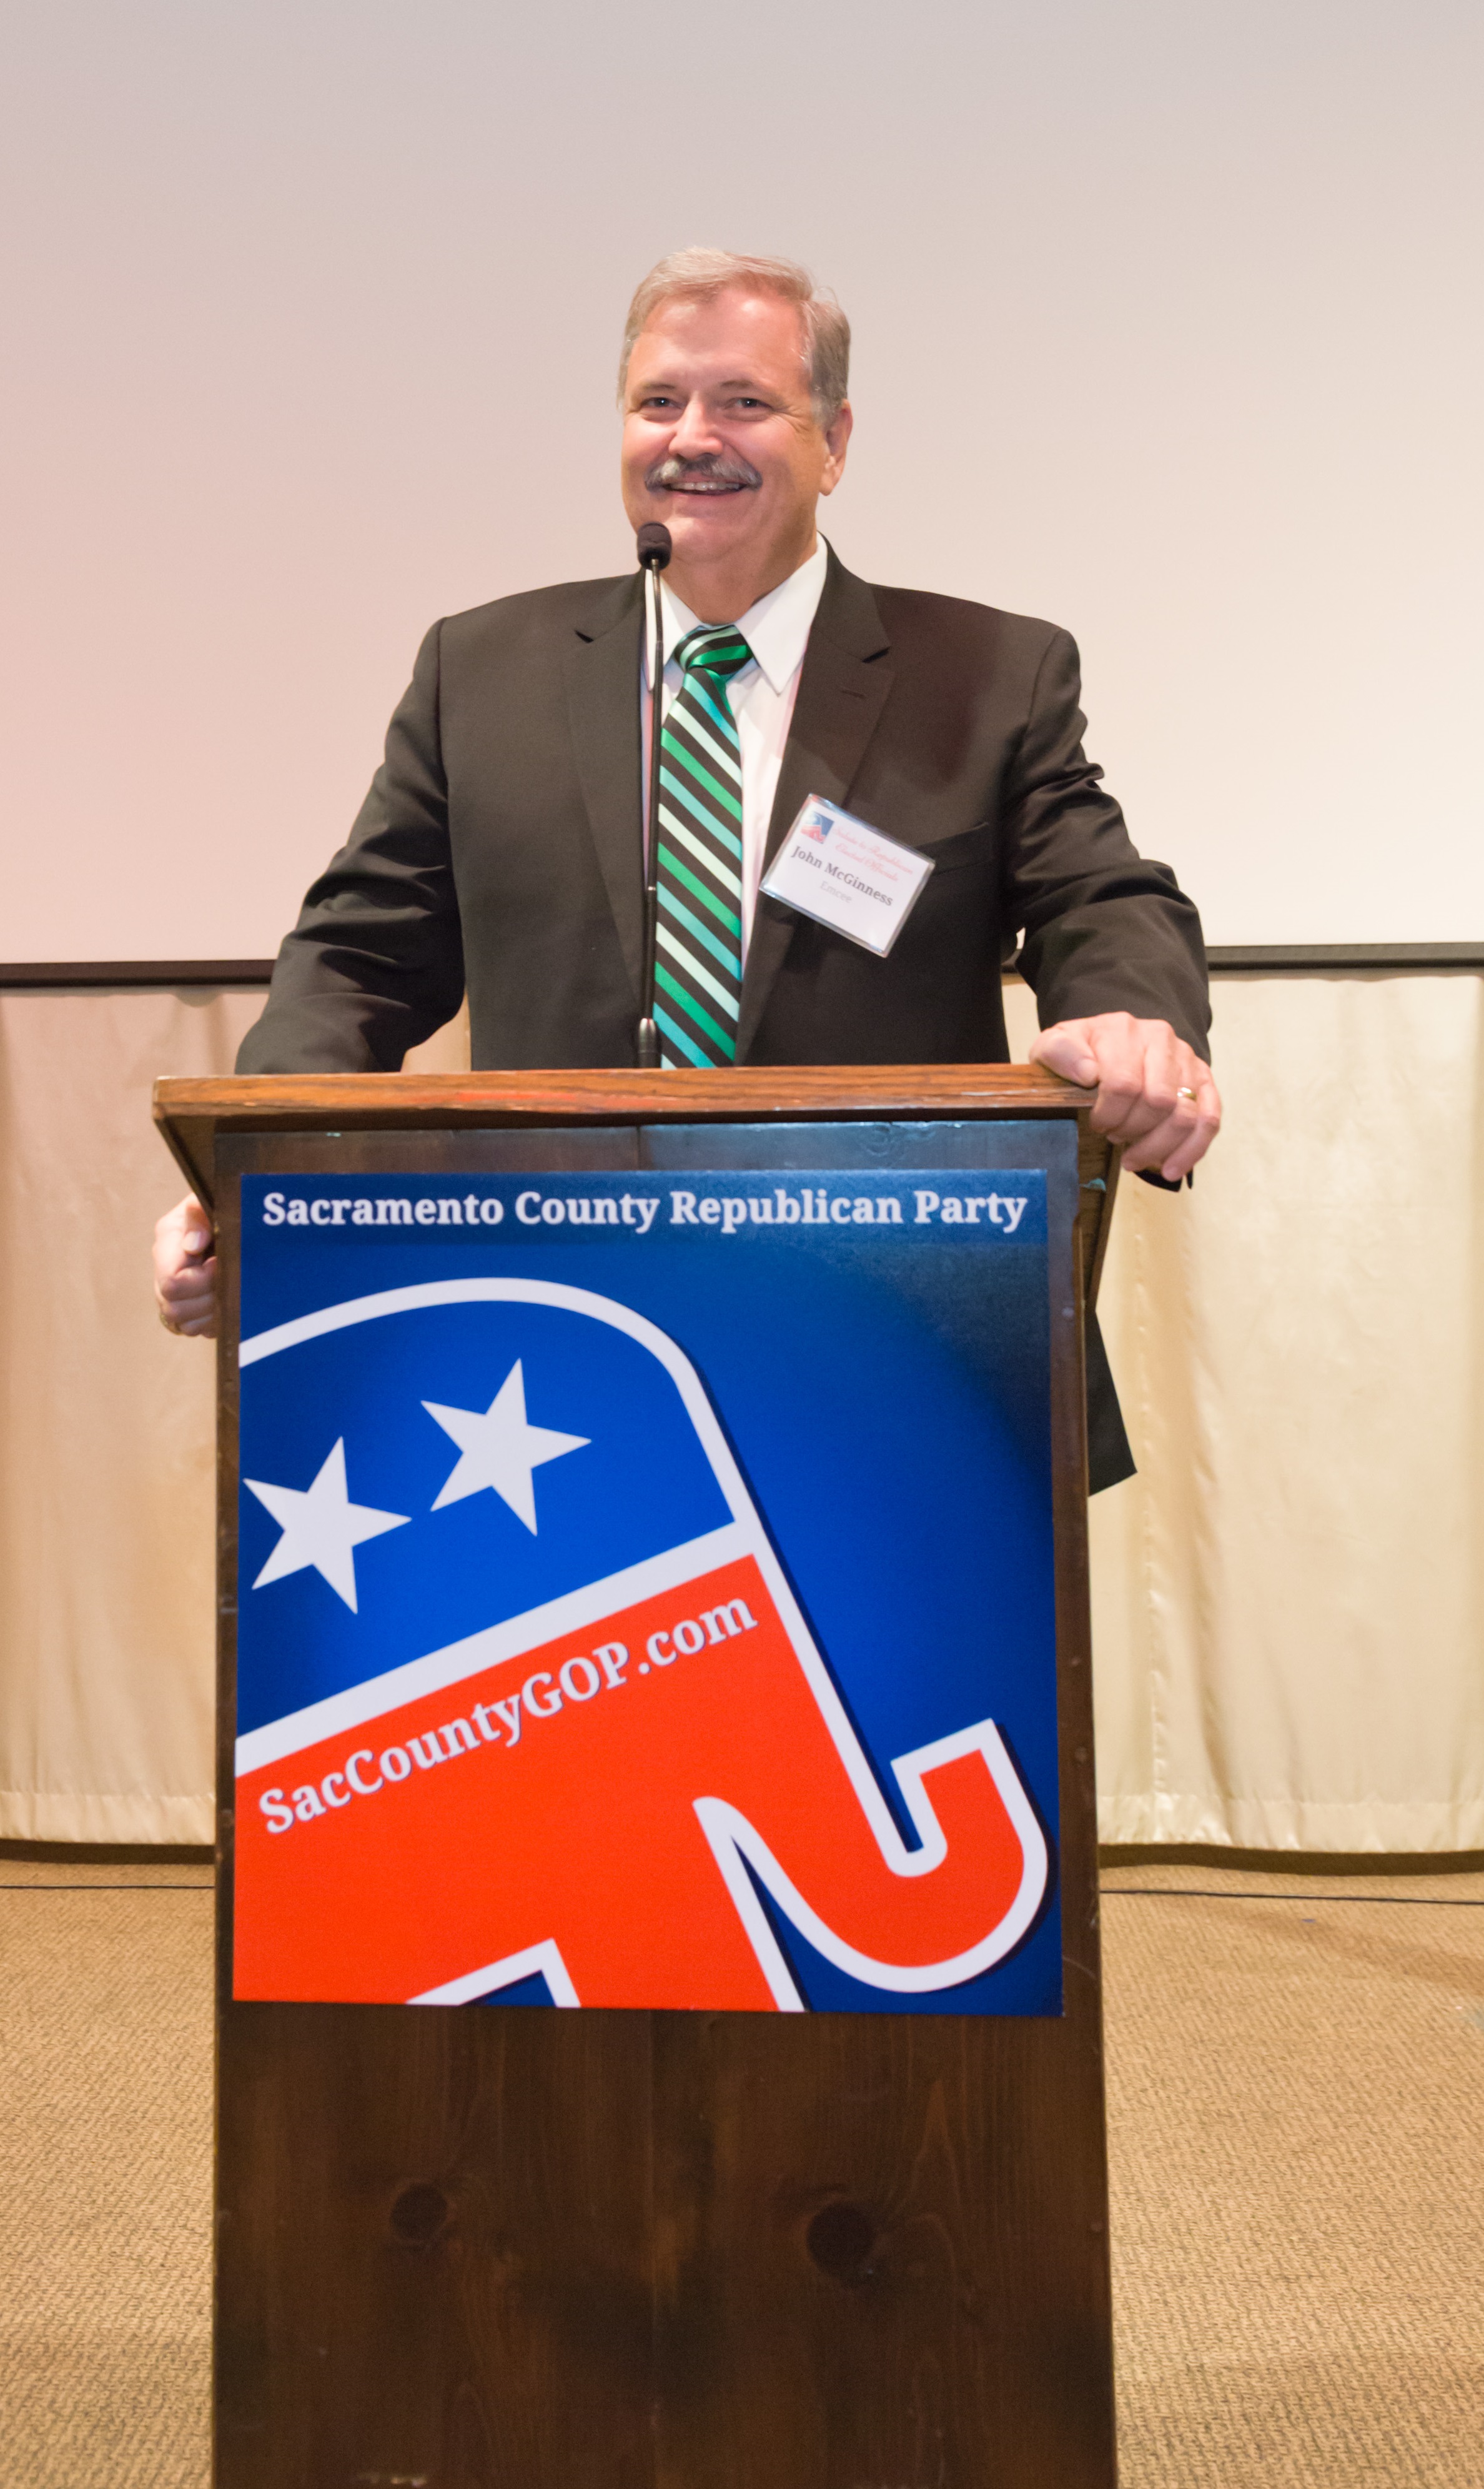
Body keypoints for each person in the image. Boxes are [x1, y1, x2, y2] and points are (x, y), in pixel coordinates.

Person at [154, 247, 1220, 1483]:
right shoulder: (483, 671)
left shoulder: (984, 675)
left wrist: (1136, 1025)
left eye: (744, 402)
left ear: (835, 440)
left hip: (899, 1343)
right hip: (557, 1361)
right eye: (657, 402)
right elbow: (358, 956)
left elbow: (1102, 895)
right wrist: (259, 1176)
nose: (691, 438)